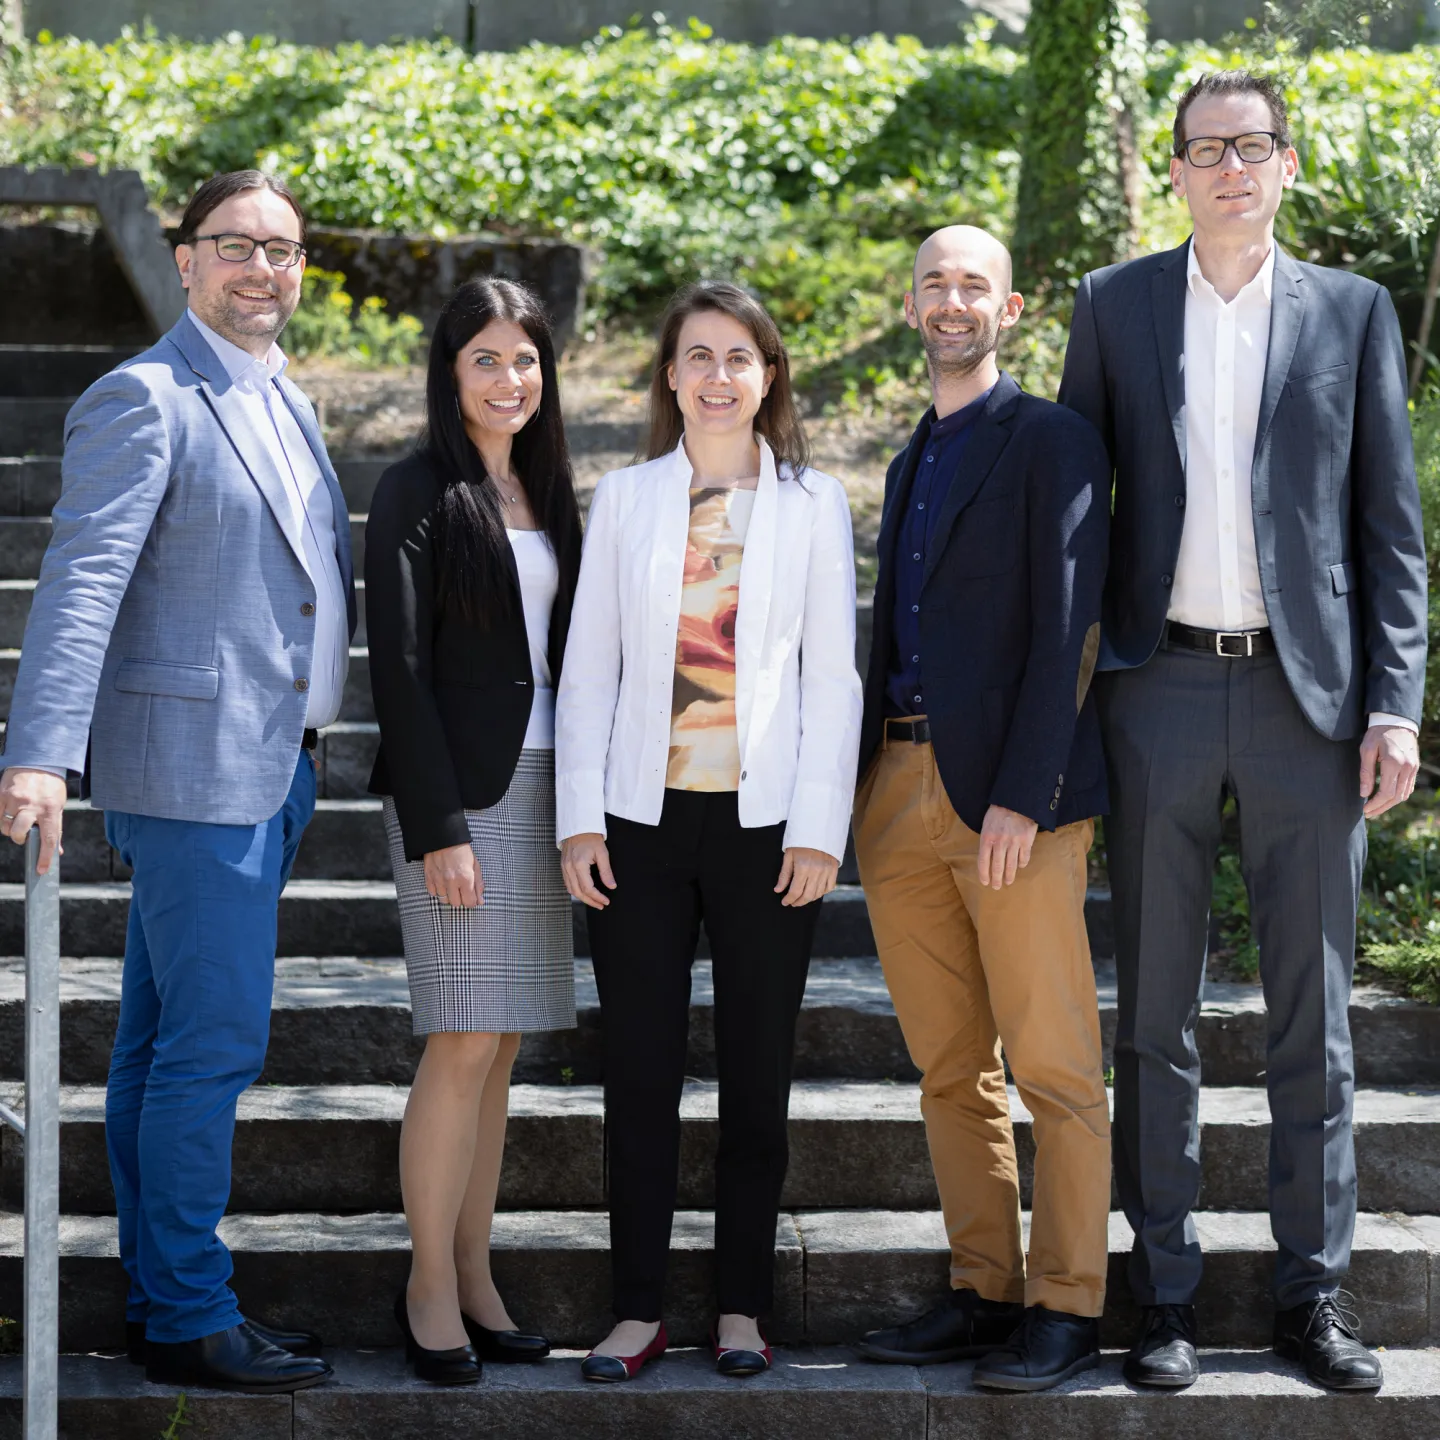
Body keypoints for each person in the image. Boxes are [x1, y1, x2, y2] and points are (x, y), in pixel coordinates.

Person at [1059, 71, 1427, 1393]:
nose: (1229, 167)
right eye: (1205, 148)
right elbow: (1075, 524)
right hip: (1154, 690)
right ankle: (1160, 1297)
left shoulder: (1353, 313)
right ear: (1173, 170)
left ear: (1284, 165)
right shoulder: (1113, 309)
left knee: (1312, 1021)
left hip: (1307, 706)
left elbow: (1391, 527)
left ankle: (1310, 1299)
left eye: (1250, 146)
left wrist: (1396, 701)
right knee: (1153, 1015)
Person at [0, 170, 352, 1393]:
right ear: (186, 258)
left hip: (275, 767)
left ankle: (162, 1305)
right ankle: (197, 1311)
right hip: (197, 773)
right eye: (237, 247)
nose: (264, 269)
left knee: (158, 1050)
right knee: (214, 1047)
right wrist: (39, 751)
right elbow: (82, 581)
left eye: (285, 250)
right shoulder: (145, 396)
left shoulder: (286, 401)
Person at [556, 281, 862, 1382]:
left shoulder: (813, 503)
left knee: (755, 1070)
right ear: (670, 377)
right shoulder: (627, 498)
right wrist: (577, 821)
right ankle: (635, 1308)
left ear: (768, 375)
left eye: (741, 356)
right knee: (637, 1071)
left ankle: (742, 1307)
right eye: (698, 356)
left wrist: (820, 828)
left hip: (766, 826)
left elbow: (833, 678)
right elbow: (588, 670)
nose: (719, 375)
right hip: (638, 827)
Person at [850, 225, 1112, 1393]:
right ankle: (981, 1288)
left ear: (1010, 309)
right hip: (894, 791)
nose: (951, 302)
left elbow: (1072, 629)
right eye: (934, 285)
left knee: (1054, 1066)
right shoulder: (915, 454)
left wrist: (1026, 795)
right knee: (951, 1067)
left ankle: (1065, 1303)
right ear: (911, 308)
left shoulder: (1050, 440)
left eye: (973, 285)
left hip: (1009, 801)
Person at [366, 277, 582, 1385]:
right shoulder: (415, 491)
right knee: (460, 1039)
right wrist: (438, 823)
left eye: (526, 361)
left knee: (500, 1048)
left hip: (549, 790)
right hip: (462, 796)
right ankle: (428, 1284)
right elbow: (397, 671)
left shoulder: (551, 488)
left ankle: (477, 1268)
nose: (510, 380)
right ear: (451, 373)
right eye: (487, 359)